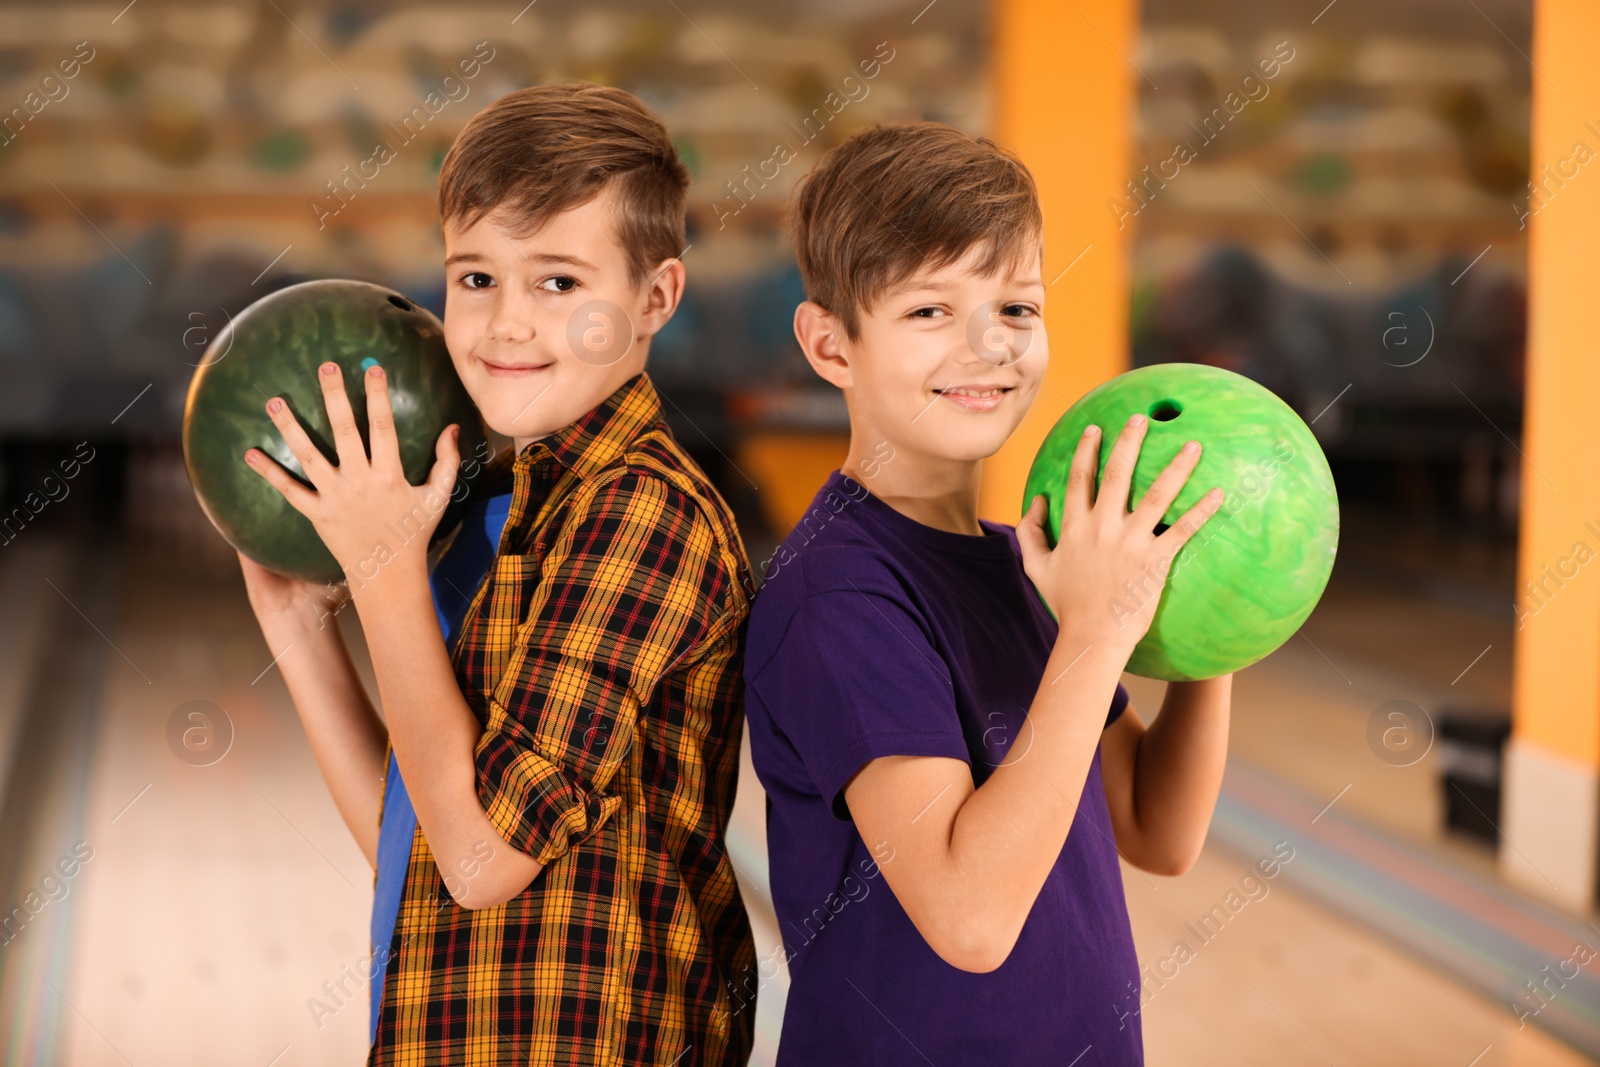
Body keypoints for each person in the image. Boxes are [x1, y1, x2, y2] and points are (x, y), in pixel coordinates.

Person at [237, 83, 757, 1065]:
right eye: (475, 278)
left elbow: (482, 862)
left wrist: (384, 561)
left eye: (558, 283)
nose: (505, 323)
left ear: (655, 298)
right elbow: (427, 846)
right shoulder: (515, 508)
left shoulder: (643, 512)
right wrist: (299, 623)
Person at [742, 121, 1235, 1065]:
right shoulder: (840, 593)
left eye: (1016, 307)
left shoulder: (1028, 561)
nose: (988, 346)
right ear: (830, 344)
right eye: (930, 311)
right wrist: (1097, 628)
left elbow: (1158, 828)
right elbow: (970, 918)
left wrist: (1217, 608)